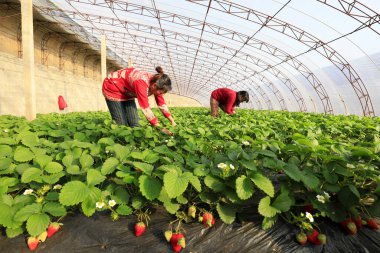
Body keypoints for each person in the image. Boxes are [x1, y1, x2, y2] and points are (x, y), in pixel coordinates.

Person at [102, 66, 176, 135]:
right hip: (113, 87)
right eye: (161, 92)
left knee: (135, 124)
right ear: (154, 85)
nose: (161, 94)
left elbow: (161, 103)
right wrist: (160, 128)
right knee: (121, 125)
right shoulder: (141, 82)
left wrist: (172, 121)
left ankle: (133, 145)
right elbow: (145, 107)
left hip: (127, 91)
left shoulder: (157, 84)